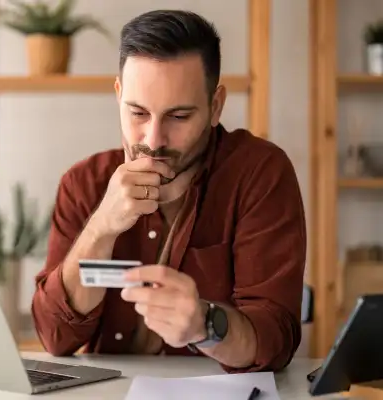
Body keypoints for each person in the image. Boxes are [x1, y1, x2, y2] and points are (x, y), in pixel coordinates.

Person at [31, 9, 306, 373]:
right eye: (138, 113)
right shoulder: (84, 183)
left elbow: (275, 340)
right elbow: (55, 336)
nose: (154, 139)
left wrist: (204, 326)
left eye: (178, 117)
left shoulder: (259, 174)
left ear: (215, 106)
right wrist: (101, 227)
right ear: (118, 96)